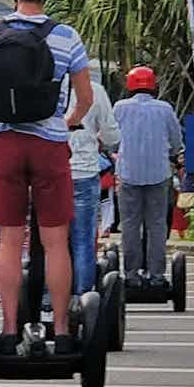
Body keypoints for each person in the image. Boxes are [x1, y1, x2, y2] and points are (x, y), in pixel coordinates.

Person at [0, 0, 92, 355]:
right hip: (50, 145)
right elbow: (85, 100)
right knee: (56, 242)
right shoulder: (66, 37)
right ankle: (60, 329)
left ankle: (6, 330)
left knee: (9, 241)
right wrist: (65, 122)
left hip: (6, 142)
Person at [113, 66, 184, 289]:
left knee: (130, 225)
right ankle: (156, 275)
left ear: (130, 85)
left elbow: (112, 139)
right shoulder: (165, 109)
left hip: (128, 174)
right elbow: (176, 141)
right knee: (156, 226)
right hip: (158, 174)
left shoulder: (120, 108)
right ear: (153, 85)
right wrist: (171, 152)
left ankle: (132, 275)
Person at [65, 70, 119, 295]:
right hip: (84, 171)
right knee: (84, 239)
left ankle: (48, 297)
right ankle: (83, 298)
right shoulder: (94, 91)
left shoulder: (41, 88)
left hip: (50, 171)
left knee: (49, 240)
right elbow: (112, 136)